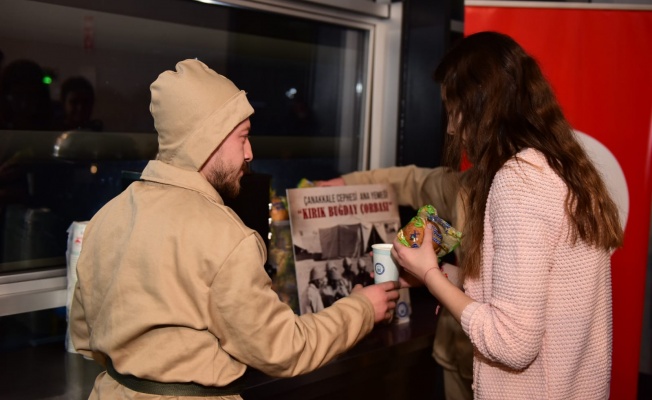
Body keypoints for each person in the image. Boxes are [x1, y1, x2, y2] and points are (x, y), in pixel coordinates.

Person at [70, 59, 400, 399]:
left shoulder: (106, 217)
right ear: (206, 140)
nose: (249, 153)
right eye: (242, 137)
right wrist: (361, 308)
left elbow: (84, 337)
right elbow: (285, 349)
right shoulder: (225, 237)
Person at [390, 32, 623, 399]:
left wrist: (432, 276)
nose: (451, 128)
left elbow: (512, 343)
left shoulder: (518, 181)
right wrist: (440, 276)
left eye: (454, 111)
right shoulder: (562, 168)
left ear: (482, 104)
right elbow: (536, 292)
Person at [317, 167, 472, 400]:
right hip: (454, 351)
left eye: (460, 127)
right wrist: (348, 182)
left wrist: (430, 274)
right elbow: (412, 181)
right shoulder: (467, 187)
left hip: (499, 368)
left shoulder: (529, 199)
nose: (451, 130)